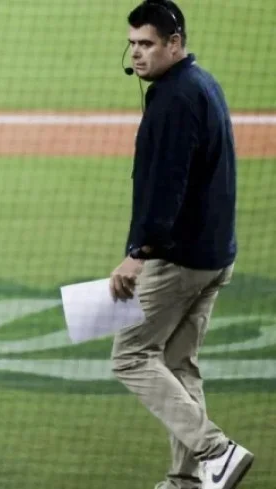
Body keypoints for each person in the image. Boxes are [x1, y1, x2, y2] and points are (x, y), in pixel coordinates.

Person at [108, 2, 253, 489]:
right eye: (132, 44)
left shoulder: (173, 100)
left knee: (130, 356)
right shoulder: (201, 82)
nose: (136, 54)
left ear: (175, 43)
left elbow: (166, 186)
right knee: (178, 363)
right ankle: (187, 481)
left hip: (180, 259)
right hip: (214, 254)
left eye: (146, 44)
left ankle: (216, 450)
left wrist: (137, 254)